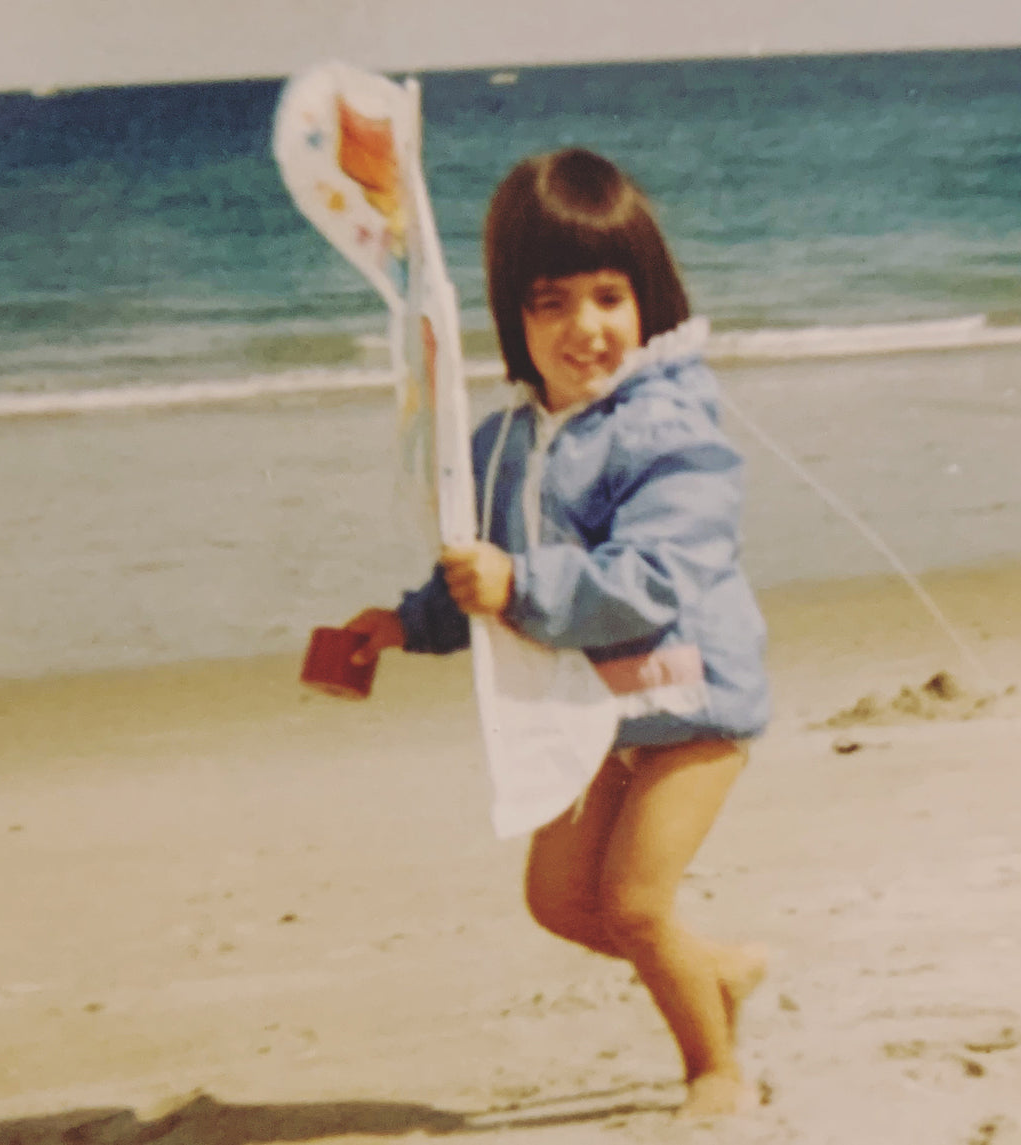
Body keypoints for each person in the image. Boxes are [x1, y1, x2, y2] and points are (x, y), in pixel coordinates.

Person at [345, 147, 771, 1118]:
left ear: (648, 299)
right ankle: (717, 970)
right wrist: (408, 621)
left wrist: (518, 581)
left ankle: (715, 1063)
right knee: (560, 902)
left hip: (691, 700)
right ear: (514, 318)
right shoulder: (502, 444)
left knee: (632, 903)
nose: (586, 327)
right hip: (589, 710)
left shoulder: (670, 430)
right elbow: (483, 578)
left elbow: (652, 578)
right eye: (551, 302)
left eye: (610, 296)